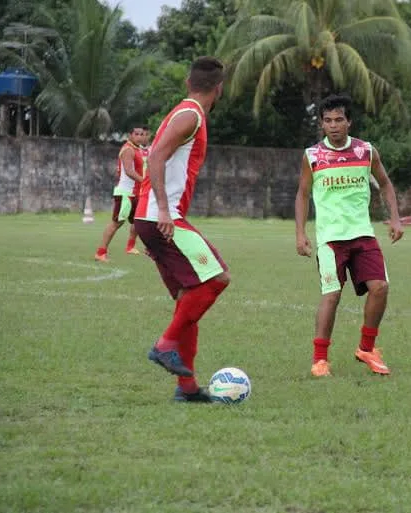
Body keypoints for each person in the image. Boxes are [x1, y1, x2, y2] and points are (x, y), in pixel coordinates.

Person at [134, 56, 229, 403]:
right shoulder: (190, 115)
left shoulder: (186, 112)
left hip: (152, 218)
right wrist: (162, 209)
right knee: (217, 279)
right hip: (163, 216)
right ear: (219, 88)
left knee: (186, 297)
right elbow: (155, 155)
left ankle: (187, 390)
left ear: (189, 82)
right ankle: (164, 345)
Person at [294, 93, 404, 378]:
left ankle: (367, 348)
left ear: (349, 122)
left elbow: (386, 184)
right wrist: (300, 233)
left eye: (339, 120)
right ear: (321, 124)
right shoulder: (312, 156)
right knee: (332, 295)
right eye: (328, 121)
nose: (333, 125)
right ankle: (320, 360)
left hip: (363, 234)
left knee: (380, 287)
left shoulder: (366, 152)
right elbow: (303, 195)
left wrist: (395, 217)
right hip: (330, 239)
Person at [94, 126, 148, 261]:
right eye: (137, 134)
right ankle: (101, 252)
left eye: (142, 134)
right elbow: (129, 171)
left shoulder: (138, 149)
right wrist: (146, 182)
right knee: (116, 223)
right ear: (130, 135)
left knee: (139, 220)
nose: (140, 137)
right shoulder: (128, 149)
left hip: (136, 193)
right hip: (126, 194)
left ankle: (130, 247)